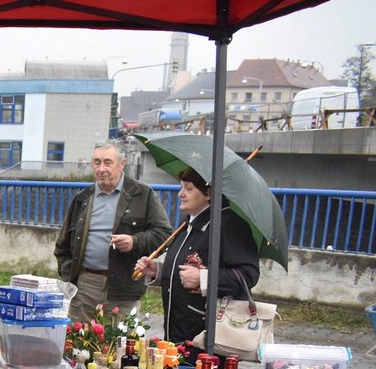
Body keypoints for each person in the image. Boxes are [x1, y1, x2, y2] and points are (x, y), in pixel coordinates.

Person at [135, 167, 260, 347]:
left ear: (208, 193)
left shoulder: (228, 225)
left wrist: (203, 278)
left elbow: (248, 275)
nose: (180, 194)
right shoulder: (189, 224)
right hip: (178, 330)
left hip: (207, 336)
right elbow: (188, 266)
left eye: (189, 188)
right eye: (181, 187)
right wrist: (158, 270)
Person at [55, 141, 173, 322]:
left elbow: (165, 234)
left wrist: (135, 241)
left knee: (118, 345)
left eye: (107, 162)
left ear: (122, 164)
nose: (101, 168)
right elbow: (62, 245)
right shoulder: (83, 198)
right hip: (85, 286)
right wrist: (71, 276)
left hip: (123, 286)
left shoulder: (142, 194)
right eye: (96, 162)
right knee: (78, 345)